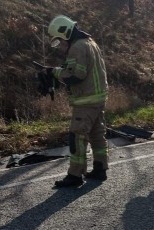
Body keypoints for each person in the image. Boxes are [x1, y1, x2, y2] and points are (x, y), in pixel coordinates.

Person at [47, 15, 109, 188]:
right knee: (97, 135)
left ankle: (75, 175)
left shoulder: (77, 47)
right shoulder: (90, 42)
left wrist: (55, 72)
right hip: (98, 98)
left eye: (59, 41)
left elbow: (75, 75)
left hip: (85, 101)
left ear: (65, 33)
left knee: (77, 137)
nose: (60, 46)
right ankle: (100, 168)